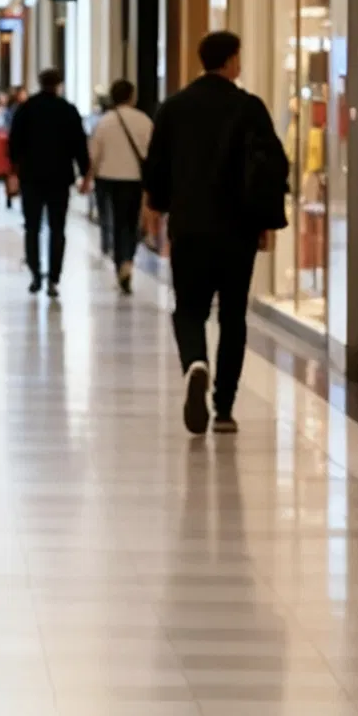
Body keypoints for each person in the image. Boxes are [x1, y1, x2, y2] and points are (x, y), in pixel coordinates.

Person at [142, 30, 289, 436]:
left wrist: (157, 206)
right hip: (238, 230)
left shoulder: (174, 107)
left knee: (189, 309)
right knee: (233, 316)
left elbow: (156, 165)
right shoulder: (249, 108)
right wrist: (267, 221)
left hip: (190, 227)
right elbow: (273, 166)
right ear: (231, 61)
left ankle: (195, 361)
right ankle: (224, 408)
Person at [6, 68, 91, 298]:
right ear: (59, 84)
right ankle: (54, 277)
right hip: (59, 178)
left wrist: (14, 170)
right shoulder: (68, 110)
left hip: (31, 177)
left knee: (31, 227)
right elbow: (79, 145)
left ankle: (35, 274)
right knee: (57, 228)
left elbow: (14, 143)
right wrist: (85, 174)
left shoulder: (26, 109)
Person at [88, 77, 155, 296]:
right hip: (134, 179)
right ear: (132, 97)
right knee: (131, 222)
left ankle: (120, 264)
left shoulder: (104, 122)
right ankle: (128, 260)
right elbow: (153, 152)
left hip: (108, 179)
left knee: (116, 223)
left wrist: (89, 178)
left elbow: (94, 154)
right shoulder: (143, 120)